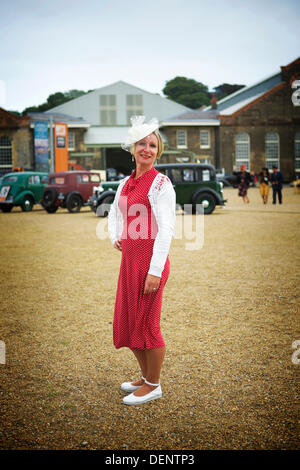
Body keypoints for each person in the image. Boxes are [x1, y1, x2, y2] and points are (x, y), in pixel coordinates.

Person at [108, 116, 176, 406]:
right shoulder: (125, 182)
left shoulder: (161, 184)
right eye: (142, 143)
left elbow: (167, 230)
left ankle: (154, 385)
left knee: (147, 325)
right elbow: (114, 212)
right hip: (129, 262)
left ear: (157, 151)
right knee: (128, 321)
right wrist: (115, 235)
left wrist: (155, 272)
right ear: (133, 148)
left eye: (152, 144)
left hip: (151, 265)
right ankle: (146, 376)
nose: (146, 148)